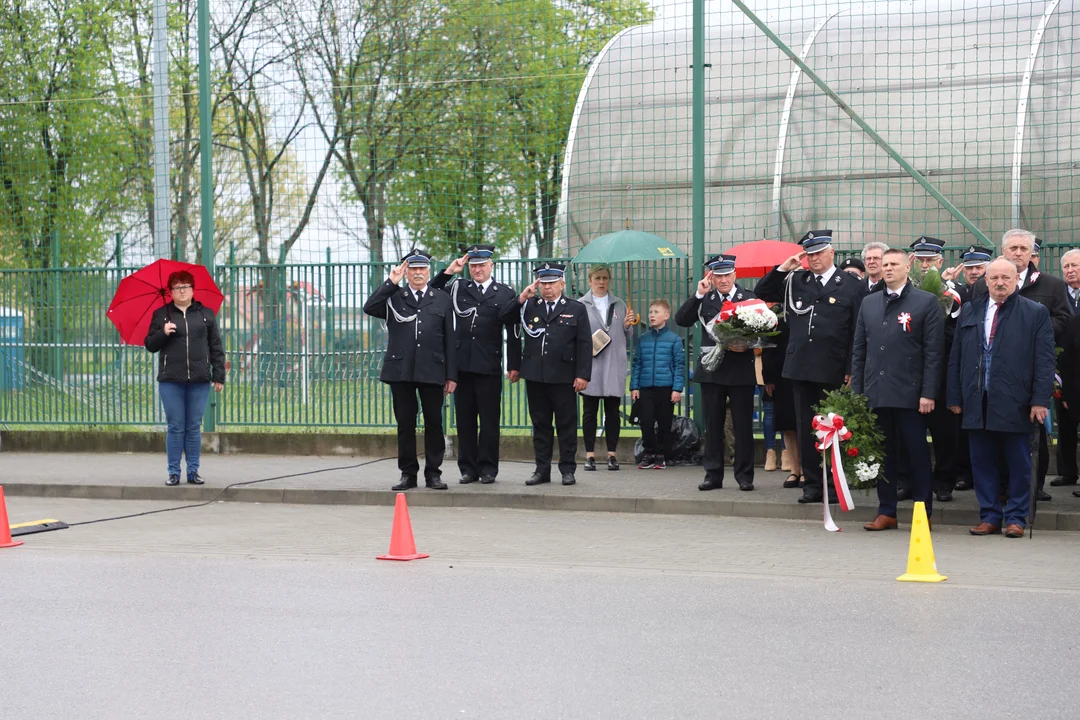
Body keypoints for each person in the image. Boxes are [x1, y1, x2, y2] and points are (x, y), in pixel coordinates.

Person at [756, 230, 868, 504]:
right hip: (801, 365)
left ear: (831, 253)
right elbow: (762, 292)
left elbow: (857, 328)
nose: (814, 258)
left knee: (834, 425)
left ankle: (835, 481)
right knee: (808, 426)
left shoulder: (850, 284)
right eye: (810, 253)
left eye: (819, 252)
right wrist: (783, 269)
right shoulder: (796, 280)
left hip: (833, 367)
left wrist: (852, 367)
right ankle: (813, 483)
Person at [948, 258, 1055, 537]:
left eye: (1006, 278)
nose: (999, 283)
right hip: (976, 400)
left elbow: (1044, 361)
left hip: (1015, 401)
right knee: (982, 462)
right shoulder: (971, 310)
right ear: (985, 280)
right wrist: (954, 395)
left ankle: (1016, 518)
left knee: (1018, 463)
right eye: (993, 278)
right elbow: (956, 357)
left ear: (1015, 280)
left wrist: (1040, 400)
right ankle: (990, 516)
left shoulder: (1034, 312)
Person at [969, 229, 1070, 501]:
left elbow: (1064, 318)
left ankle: (1033, 489)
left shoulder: (1051, 285)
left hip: (1032, 369)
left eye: (1024, 249)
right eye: (1013, 248)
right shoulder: (983, 284)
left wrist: (1033, 332)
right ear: (1003, 252)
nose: (1018, 253)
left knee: (1031, 433)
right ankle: (999, 494)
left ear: (1032, 253)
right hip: (990, 376)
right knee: (992, 440)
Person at [851, 249, 944, 530]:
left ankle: (922, 513)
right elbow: (859, 350)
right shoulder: (868, 303)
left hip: (911, 395)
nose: (888, 268)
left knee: (916, 455)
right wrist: (858, 390)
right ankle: (886, 510)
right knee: (883, 455)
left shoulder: (925, 302)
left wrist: (928, 393)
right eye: (884, 264)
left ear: (907, 268)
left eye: (894, 264)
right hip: (877, 393)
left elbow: (933, 353)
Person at [363, 250, 457, 491]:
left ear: (428, 271)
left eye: (422, 269)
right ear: (407, 273)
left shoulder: (441, 298)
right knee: (405, 424)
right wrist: (391, 281)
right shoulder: (395, 297)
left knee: (434, 423)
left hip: (432, 369)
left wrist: (451, 375)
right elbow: (370, 307)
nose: (417, 273)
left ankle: (433, 473)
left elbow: (450, 338)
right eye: (412, 269)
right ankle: (408, 474)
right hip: (401, 370)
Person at [430, 244, 520, 485]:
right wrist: (449, 271)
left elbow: (513, 330)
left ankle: (488, 468)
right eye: (473, 266)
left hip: (489, 363)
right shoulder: (459, 287)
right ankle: (468, 468)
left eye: (481, 265)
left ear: (492, 265)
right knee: (465, 420)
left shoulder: (504, 292)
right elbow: (432, 292)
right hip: (462, 365)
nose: (477, 269)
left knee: (490, 421)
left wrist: (514, 363)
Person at [502, 263, 592, 486]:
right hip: (536, 376)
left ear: (562, 283)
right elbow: (504, 318)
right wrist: (522, 298)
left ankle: (567, 470)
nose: (548, 287)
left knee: (566, 425)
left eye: (552, 283)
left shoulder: (576, 308)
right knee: (540, 425)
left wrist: (583, 375)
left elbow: (584, 343)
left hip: (563, 376)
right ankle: (541, 470)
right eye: (544, 283)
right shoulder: (529, 306)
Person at [676, 254, 758, 491]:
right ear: (711, 277)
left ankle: (744, 476)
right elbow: (681, 319)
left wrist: (747, 344)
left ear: (735, 275)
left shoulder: (748, 297)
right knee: (713, 425)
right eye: (718, 275)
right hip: (712, 370)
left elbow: (759, 330)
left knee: (743, 425)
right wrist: (699, 294)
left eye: (727, 275)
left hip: (740, 368)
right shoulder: (704, 299)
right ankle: (713, 475)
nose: (723, 280)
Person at [144, 270, 226, 486]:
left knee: (193, 426)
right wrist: (163, 332)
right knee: (175, 426)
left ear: (193, 290)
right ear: (170, 292)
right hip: (171, 380)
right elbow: (150, 345)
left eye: (186, 287)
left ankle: (193, 471)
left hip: (199, 380)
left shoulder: (206, 314)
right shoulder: (161, 315)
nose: (182, 291)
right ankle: (173, 472)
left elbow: (216, 347)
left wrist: (218, 375)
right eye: (178, 288)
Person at [579, 265, 636, 471]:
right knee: (589, 412)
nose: (601, 282)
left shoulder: (620, 304)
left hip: (614, 362)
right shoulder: (580, 305)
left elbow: (626, 336)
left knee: (613, 411)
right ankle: (589, 455)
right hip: (591, 364)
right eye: (597, 278)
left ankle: (612, 454)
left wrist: (628, 325)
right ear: (589, 281)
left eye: (605, 278)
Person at [630, 299, 686, 469]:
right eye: (650, 312)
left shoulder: (674, 340)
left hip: (666, 388)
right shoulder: (643, 339)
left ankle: (662, 454)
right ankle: (649, 453)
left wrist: (677, 389)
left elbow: (679, 365)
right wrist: (634, 386)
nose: (652, 315)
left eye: (656, 312)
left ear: (666, 315)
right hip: (646, 387)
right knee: (645, 422)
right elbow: (637, 363)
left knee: (664, 422)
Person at [1051, 249, 1080, 490]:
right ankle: (1067, 471)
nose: (1070, 270)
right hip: (1063, 365)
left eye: (1075, 265)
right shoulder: (1059, 294)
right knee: (1065, 420)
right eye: (1067, 266)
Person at [761, 312, 801, 487]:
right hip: (782, 379)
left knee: (807, 427)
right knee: (787, 427)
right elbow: (768, 349)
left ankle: (809, 471)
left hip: (807, 376)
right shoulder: (778, 321)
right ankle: (795, 470)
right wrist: (768, 378)